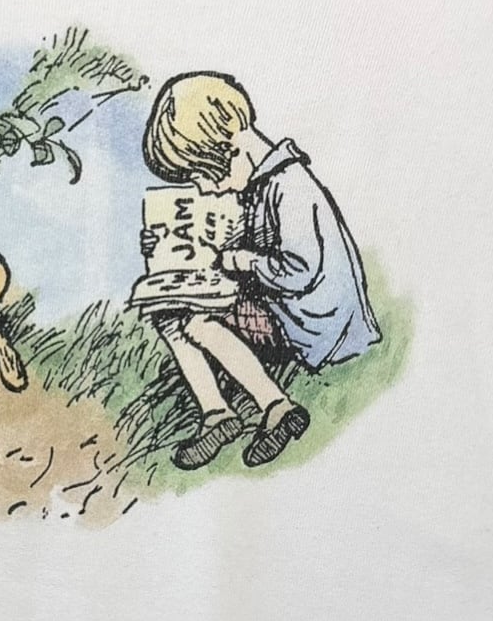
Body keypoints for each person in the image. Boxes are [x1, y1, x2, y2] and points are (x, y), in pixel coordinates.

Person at [138, 70, 381, 468]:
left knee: (198, 323)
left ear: (228, 150)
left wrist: (242, 261)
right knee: (169, 314)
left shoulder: (289, 186)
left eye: (199, 176)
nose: (203, 189)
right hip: (295, 313)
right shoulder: (263, 183)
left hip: (317, 329)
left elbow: (300, 271)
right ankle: (217, 415)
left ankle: (277, 407)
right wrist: (167, 249)